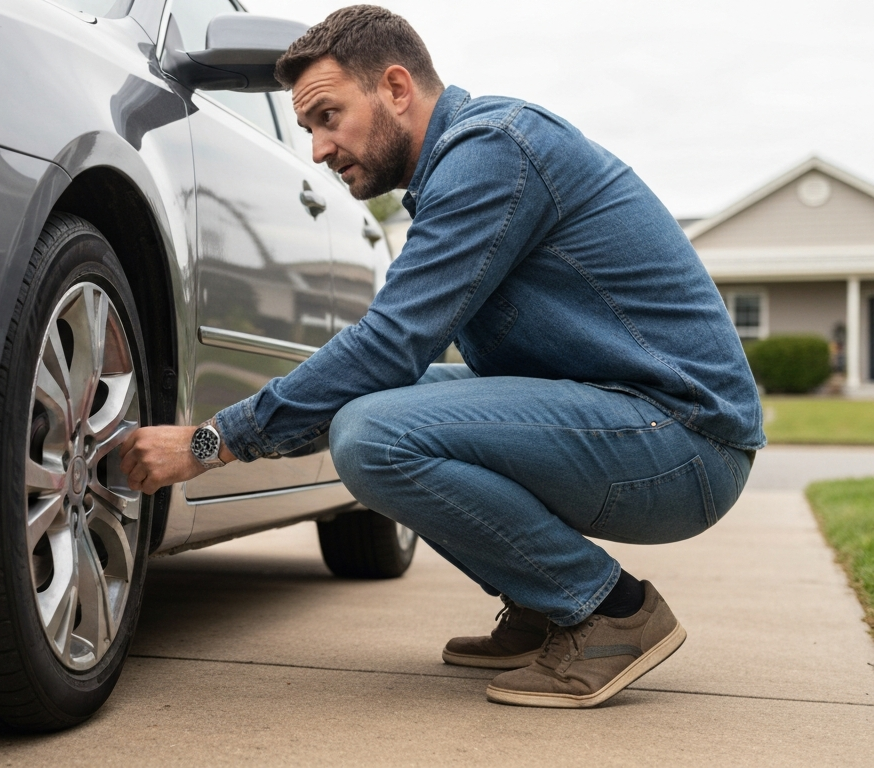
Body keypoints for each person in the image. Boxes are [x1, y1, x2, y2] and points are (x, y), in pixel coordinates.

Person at [120, 5, 763, 708]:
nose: (317, 150)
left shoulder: (494, 150)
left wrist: (212, 442)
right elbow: (393, 361)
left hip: (684, 441)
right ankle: (544, 602)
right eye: (307, 129)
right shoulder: (459, 172)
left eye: (329, 117)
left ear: (396, 88)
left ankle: (609, 613)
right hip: (637, 422)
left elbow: (390, 342)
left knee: (374, 432)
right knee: (367, 412)